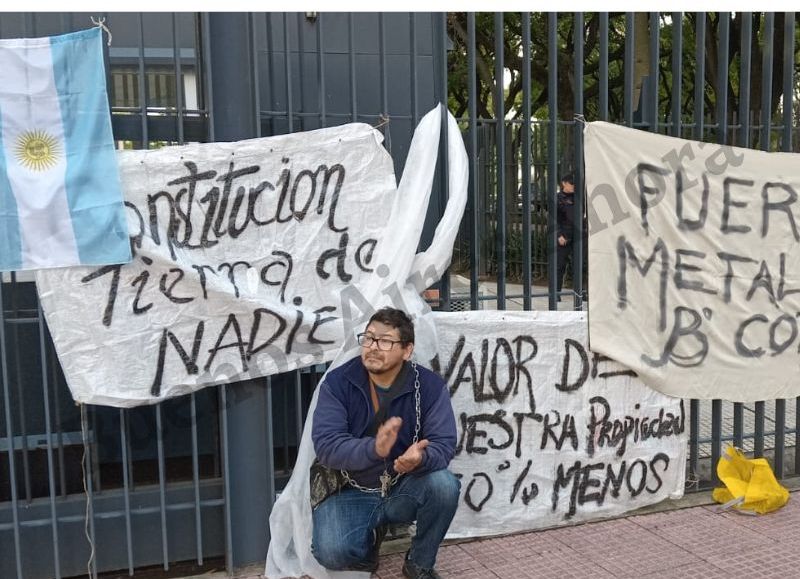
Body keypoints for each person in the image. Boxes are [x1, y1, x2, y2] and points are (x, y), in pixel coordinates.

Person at [311, 307, 459, 579]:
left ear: (407, 350)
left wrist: (420, 460)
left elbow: (444, 443)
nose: (373, 347)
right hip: (351, 487)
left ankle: (419, 562)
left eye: (385, 341)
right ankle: (367, 547)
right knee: (330, 552)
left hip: (404, 485)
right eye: (368, 338)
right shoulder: (337, 383)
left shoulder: (428, 386)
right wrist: (374, 449)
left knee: (444, 485)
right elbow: (327, 446)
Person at [555, 173, 576, 300]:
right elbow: (553, 219)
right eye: (571, 183)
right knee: (560, 265)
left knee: (581, 264)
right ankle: (556, 293)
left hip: (579, 234)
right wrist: (559, 234)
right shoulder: (558, 198)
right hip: (564, 234)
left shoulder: (578, 197)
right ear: (564, 183)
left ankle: (581, 292)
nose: (574, 186)